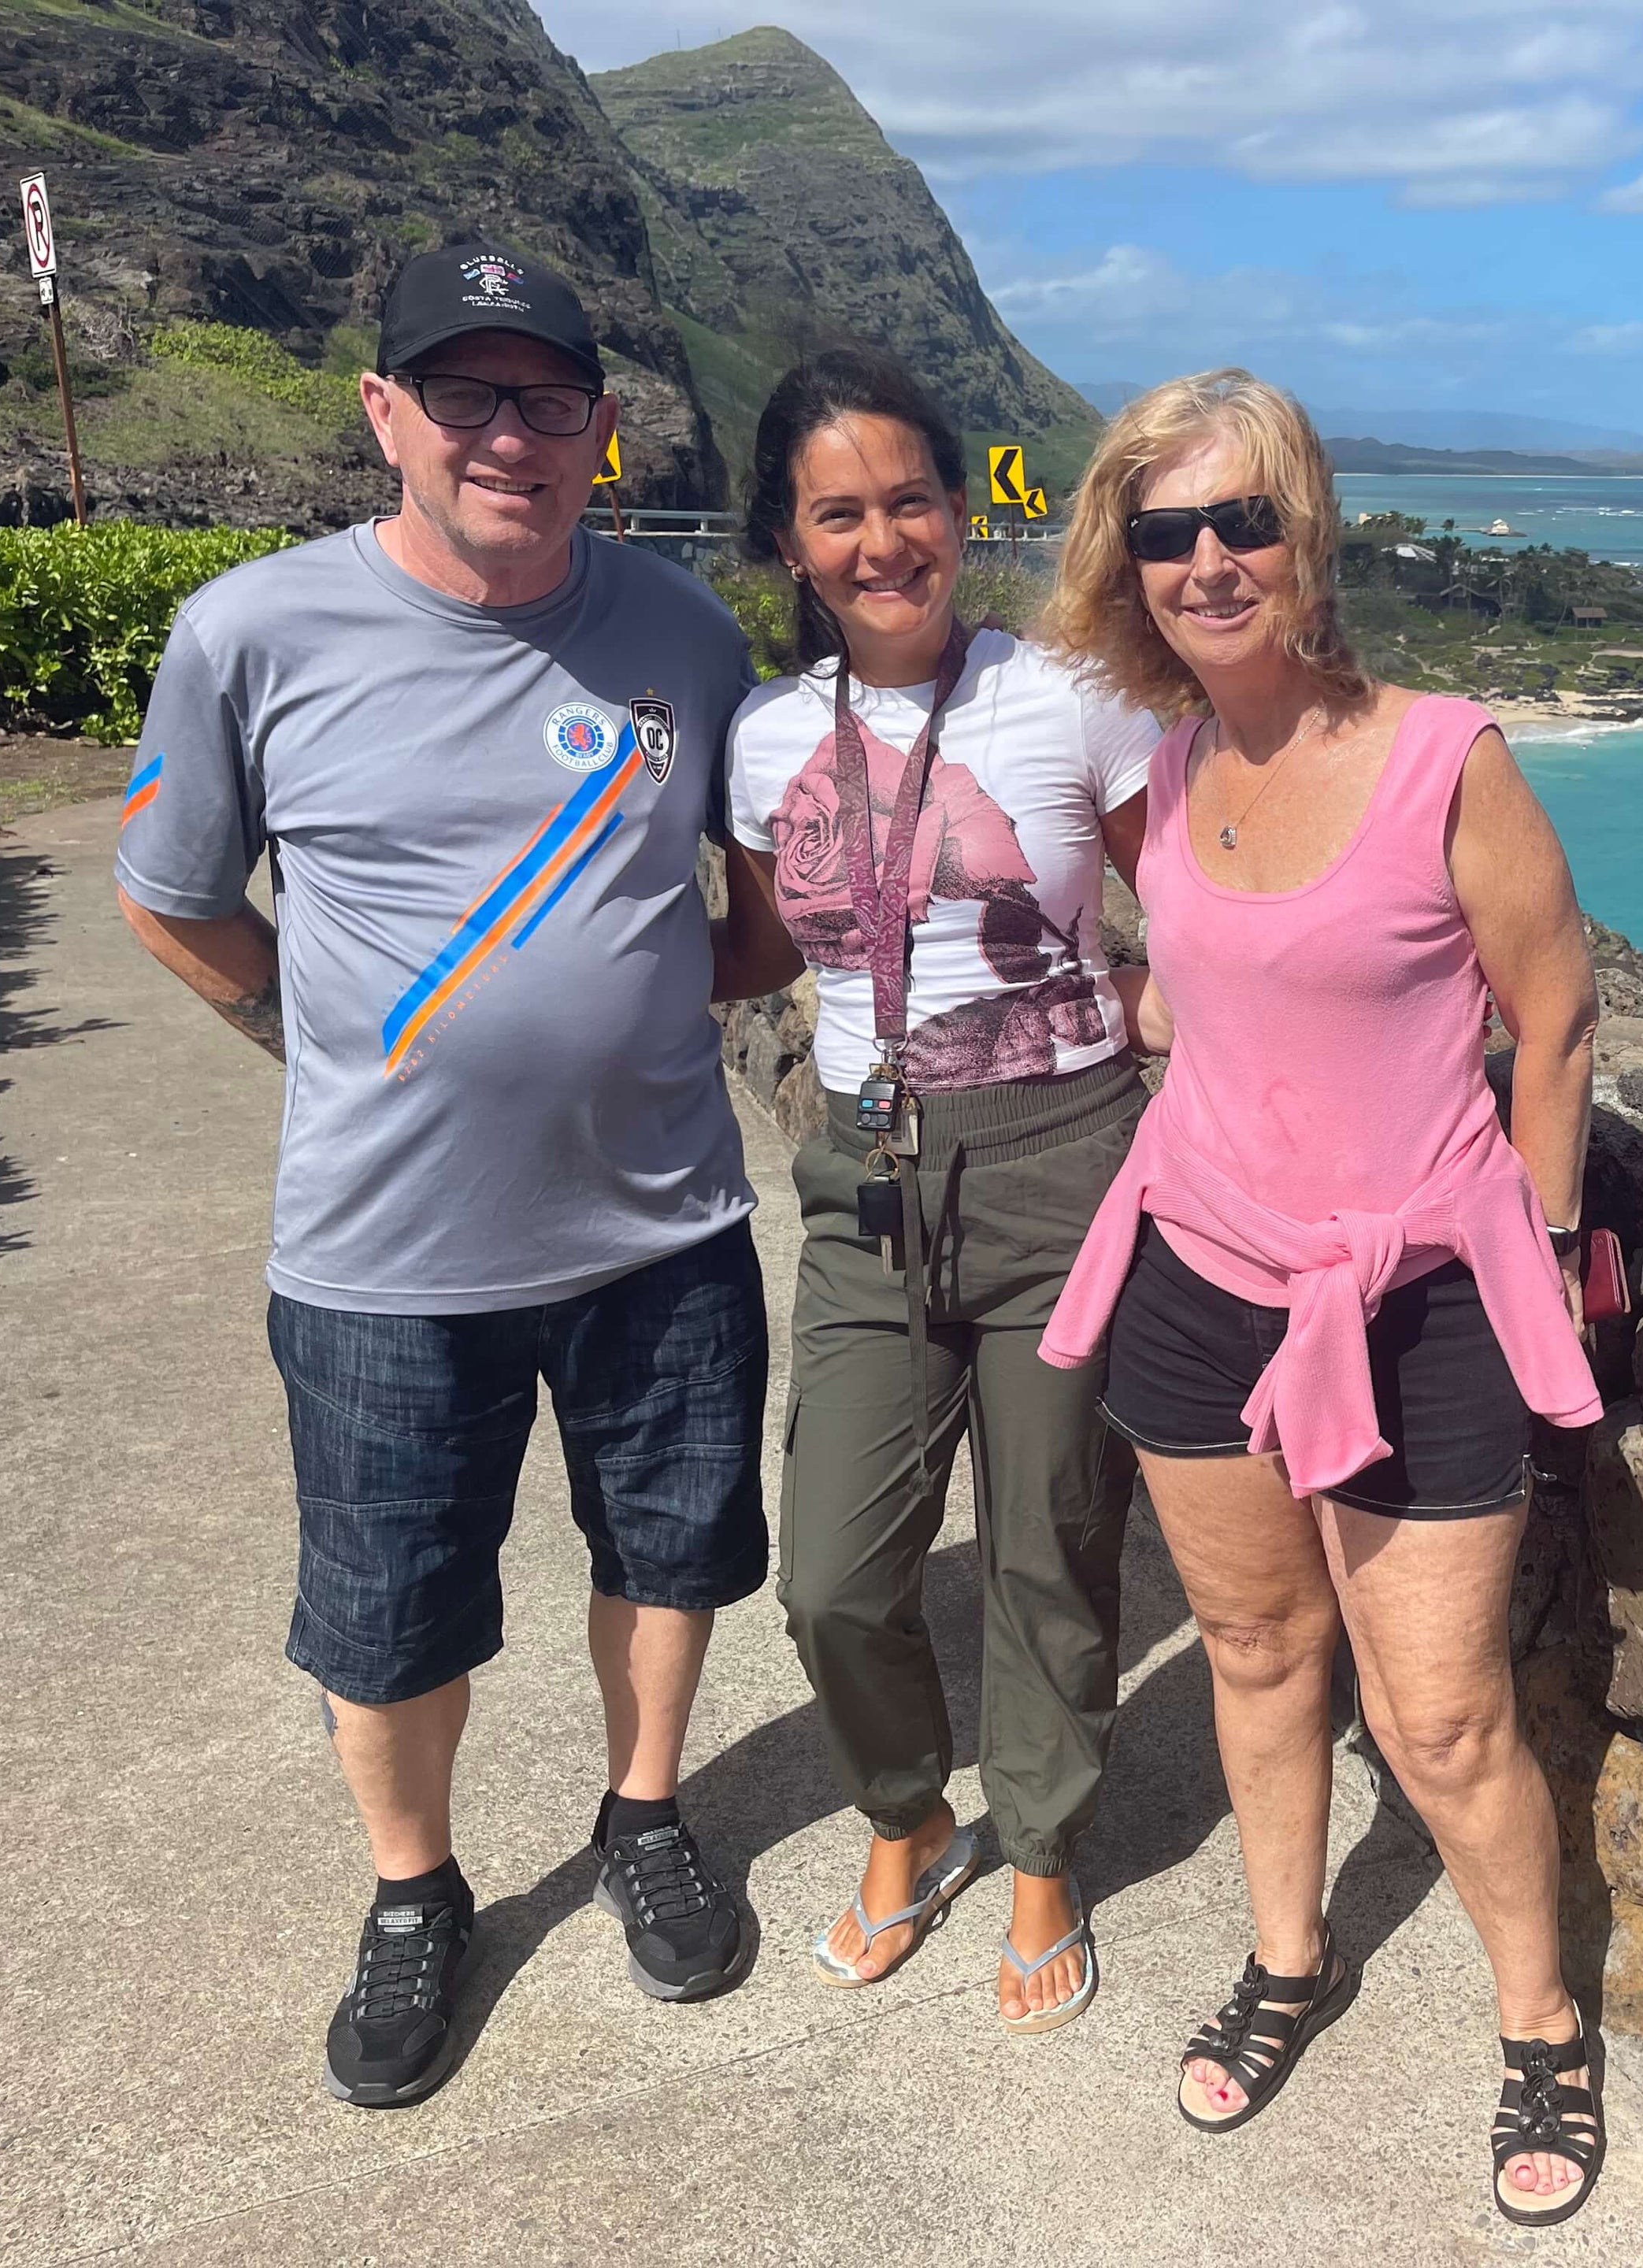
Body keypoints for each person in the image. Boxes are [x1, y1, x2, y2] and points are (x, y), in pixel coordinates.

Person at [116, 240, 767, 2108]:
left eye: (548, 398)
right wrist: (317, 1049)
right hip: (383, 1250)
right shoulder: (251, 634)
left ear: (601, 430)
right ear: (385, 412)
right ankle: (417, 1891)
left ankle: (644, 1809)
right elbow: (171, 899)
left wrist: (622, 1024)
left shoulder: (684, 634)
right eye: (465, 394)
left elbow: (757, 911)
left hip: (663, 1226)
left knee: (668, 1551)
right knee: (391, 1605)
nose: (509, 434)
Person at [1037, 370, 1612, 2225]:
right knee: (1262, 1658)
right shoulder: (1177, 755)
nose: (1209, 562)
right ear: (1126, 564)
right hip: (1203, 1275)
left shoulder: (1450, 753)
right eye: (1167, 531)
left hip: (1418, 1301)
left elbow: (1559, 1020)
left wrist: (1528, 1265)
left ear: (1306, 533)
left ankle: (1542, 2025)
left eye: (1242, 521)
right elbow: (1189, 988)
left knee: (1440, 1722)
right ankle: (1289, 1956)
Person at [717, 346, 1154, 2030]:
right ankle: (908, 1813)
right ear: (789, 544)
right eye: (840, 513)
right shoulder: (765, 738)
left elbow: (1180, 914)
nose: (882, 539)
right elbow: (762, 948)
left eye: (911, 499)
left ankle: (1040, 1848)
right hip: (863, 1181)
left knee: (1047, 1543)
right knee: (831, 1571)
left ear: (961, 513)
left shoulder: (1070, 695)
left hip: (1063, 1165)